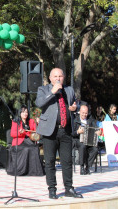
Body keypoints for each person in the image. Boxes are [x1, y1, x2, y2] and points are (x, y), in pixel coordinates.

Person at [35, 68, 83, 199]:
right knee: (50, 161)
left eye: (60, 76)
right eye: (55, 76)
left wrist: (75, 108)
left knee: (67, 161)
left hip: (65, 130)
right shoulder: (43, 89)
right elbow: (39, 103)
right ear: (50, 78)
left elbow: (75, 104)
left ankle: (69, 188)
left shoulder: (69, 89)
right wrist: (52, 91)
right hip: (50, 131)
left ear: (64, 77)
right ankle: (52, 189)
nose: (58, 78)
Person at [6, 105, 44, 176]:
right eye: (23, 112)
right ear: (20, 113)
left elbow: (36, 131)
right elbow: (12, 134)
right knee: (26, 149)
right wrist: (20, 133)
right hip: (19, 142)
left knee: (35, 148)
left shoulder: (31, 121)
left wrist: (38, 123)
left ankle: (34, 171)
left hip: (29, 141)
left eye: (26, 112)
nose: (25, 113)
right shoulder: (16, 121)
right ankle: (23, 170)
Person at [72, 105, 101, 175]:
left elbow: (96, 128)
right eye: (83, 113)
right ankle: (82, 167)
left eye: (86, 113)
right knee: (82, 146)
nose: (84, 114)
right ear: (80, 112)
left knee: (95, 149)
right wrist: (77, 132)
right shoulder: (75, 120)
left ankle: (87, 167)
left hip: (89, 141)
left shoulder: (90, 120)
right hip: (78, 140)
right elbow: (71, 133)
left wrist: (98, 131)